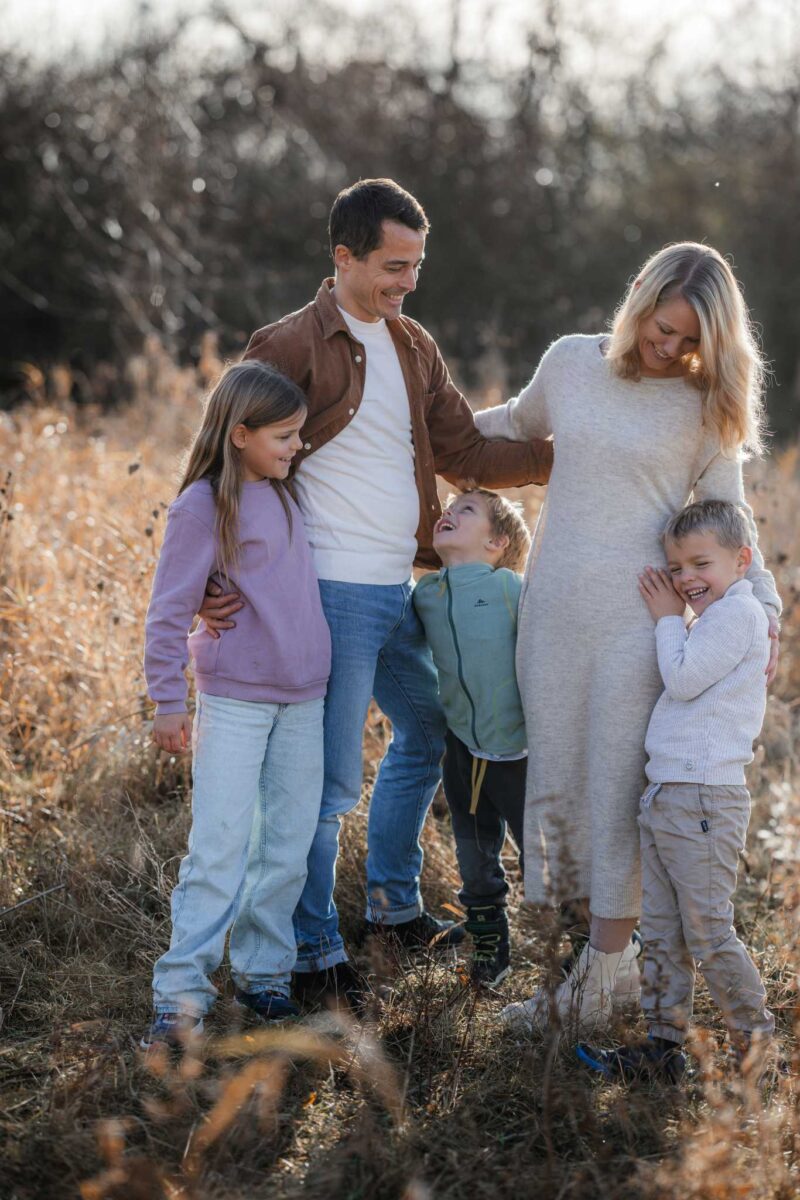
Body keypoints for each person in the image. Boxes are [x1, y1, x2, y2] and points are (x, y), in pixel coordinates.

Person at [199, 179, 553, 1010]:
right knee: (325, 785)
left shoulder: (412, 344)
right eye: (394, 265)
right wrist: (213, 575)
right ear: (344, 258)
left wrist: (566, 457)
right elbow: (221, 454)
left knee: (429, 730)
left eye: (417, 265)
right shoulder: (288, 344)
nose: (408, 281)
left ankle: (393, 908)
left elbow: (464, 447)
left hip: (398, 585)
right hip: (327, 588)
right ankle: (314, 951)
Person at [472, 242, 781, 1036]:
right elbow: (506, 427)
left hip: (636, 627)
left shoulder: (707, 406)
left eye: (689, 339)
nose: (669, 347)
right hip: (551, 617)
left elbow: (731, 522)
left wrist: (765, 609)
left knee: (615, 796)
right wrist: (405, 434)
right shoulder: (572, 364)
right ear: (639, 294)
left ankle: (595, 981)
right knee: (560, 788)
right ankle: (597, 965)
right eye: (663, 327)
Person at [140, 361, 331, 1048]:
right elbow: (167, 609)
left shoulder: (286, 493)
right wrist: (168, 700)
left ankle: (264, 977)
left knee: (285, 847)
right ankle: (181, 996)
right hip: (237, 701)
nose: (296, 446)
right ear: (240, 432)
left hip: (304, 701)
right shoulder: (202, 504)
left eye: (299, 435)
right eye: (283, 436)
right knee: (219, 846)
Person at [577, 499, 776, 1080]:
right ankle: (665, 1047)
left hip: (704, 800)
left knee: (708, 932)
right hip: (669, 794)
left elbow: (685, 681)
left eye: (700, 564)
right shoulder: (714, 616)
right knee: (662, 931)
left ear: (741, 561)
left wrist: (668, 617)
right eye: (676, 567)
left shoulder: (738, 614)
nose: (686, 578)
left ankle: (758, 1049)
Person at [412, 487, 531, 986]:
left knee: (545, 861)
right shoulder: (426, 595)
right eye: (449, 506)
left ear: (497, 542)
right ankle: (490, 956)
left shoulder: (511, 589)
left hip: (521, 753)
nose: (449, 512)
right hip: (464, 752)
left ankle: (595, 948)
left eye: (467, 511)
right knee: (475, 860)